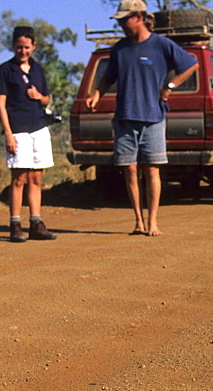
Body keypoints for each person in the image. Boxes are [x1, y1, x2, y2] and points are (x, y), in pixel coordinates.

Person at [86, 0, 198, 236]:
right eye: (119, 20)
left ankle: (153, 221)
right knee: (130, 170)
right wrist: (97, 93)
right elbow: (108, 77)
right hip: (125, 118)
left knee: (152, 171)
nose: (121, 24)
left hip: (154, 117)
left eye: (124, 19)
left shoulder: (161, 45)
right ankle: (138, 220)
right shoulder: (119, 49)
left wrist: (170, 85)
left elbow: (191, 64)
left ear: (139, 17)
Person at [0, 25, 57, 242]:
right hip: (17, 128)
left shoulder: (38, 69)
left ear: (34, 46)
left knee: (36, 177)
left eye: (27, 47)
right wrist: (8, 133)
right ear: (13, 46)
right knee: (18, 177)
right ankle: (15, 224)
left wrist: (39, 96)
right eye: (19, 47)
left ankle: (36, 223)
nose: (23, 51)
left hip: (38, 127)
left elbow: (47, 99)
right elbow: (1, 103)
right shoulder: (5, 70)